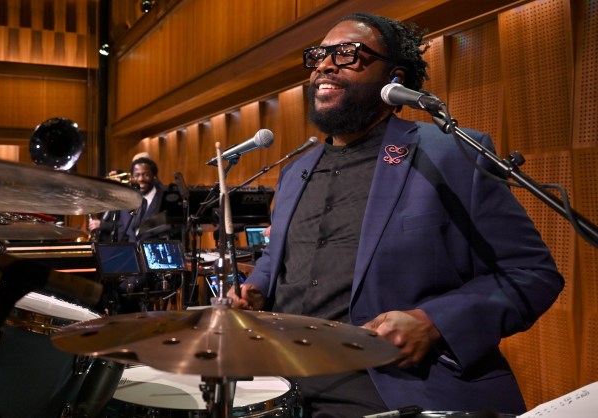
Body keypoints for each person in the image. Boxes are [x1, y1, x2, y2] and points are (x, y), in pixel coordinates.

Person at [230, 12, 564, 418]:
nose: (325, 64)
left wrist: (433, 321)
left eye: (348, 54)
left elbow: (531, 273)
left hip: (393, 388)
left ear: (395, 80)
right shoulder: (295, 171)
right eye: (319, 55)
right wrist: (259, 289)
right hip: (285, 383)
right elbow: (278, 257)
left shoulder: (448, 153)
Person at [89, 156, 166, 243]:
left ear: (154, 176)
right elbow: (123, 231)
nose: (141, 179)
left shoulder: (163, 198)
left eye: (146, 174)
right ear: (132, 177)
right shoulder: (127, 200)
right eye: (137, 175)